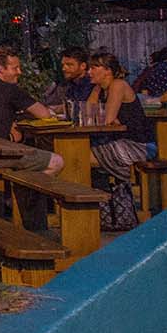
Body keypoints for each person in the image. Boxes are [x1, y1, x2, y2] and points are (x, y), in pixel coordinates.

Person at [0, 47, 63, 175]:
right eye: (15, 68)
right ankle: (31, 192)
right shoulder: (9, 89)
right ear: (1, 69)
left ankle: (24, 190)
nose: (19, 72)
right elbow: (44, 114)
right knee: (56, 161)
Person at [86, 53, 153, 231]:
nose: (89, 72)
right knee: (81, 157)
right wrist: (96, 90)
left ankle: (98, 215)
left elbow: (107, 119)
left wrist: (108, 118)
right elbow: (86, 116)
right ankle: (106, 215)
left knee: (81, 159)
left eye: (94, 68)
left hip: (138, 145)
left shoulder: (118, 85)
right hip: (116, 142)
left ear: (107, 71)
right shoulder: (100, 89)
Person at [43, 46, 95, 115]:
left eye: (69, 65)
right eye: (63, 65)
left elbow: (80, 107)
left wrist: (56, 109)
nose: (64, 69)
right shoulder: (71, 83)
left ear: (83, 66)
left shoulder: (90, 83)